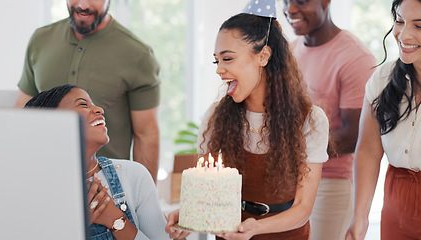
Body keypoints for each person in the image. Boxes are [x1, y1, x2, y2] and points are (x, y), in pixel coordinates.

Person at [165, 1, 329, 239]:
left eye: (227, 59)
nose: (219, 69)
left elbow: (303, 209)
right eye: (216, 60)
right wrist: (188, 214)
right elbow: (207, 192)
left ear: (263, 56)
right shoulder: (215, 117)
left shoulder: (311, 120)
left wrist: (255, 228)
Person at [14, 0, 161, 182]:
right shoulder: (40, 40)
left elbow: (146, 135)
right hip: (46, 180)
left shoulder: (138, 54)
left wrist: (143, 201)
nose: (83, 5)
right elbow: (22, 118)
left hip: (110, 190)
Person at [24, 84, 168, 240]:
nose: (99, 109)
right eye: (83, 104)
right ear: (52, 123)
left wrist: (114, 219)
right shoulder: (33, 192)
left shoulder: (134, 175)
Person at [283, 1, 376, 239]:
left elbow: (353, 133)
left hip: (331, 184)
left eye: (300, 1)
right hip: (289, 181)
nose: (290, 9)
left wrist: (293, 150)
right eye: (285, 1)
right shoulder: (291, 51)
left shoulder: (355, 57)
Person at [346, 0, 421, 239]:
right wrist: (360, 217)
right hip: (396, 205)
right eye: (399, 21)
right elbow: (368, 150)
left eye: (419, 26)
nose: (403, 34)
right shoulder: (383, 79)